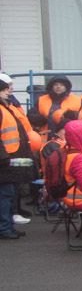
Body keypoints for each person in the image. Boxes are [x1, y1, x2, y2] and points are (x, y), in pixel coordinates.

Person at [0, 73, 38, 239]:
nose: (9, 92)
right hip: (5, 160)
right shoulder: (3, 109)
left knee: (9, 194)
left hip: (9, 157)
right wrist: (3, 158)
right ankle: (5, 228)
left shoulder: (6, 108)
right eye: (5, 89)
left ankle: (7, 226)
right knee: (5, 195)